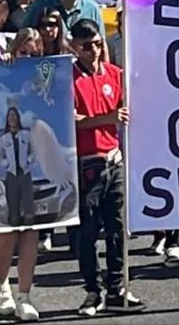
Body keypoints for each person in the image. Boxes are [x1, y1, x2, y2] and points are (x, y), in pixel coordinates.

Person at [68, 18, 144, 317]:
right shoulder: (70, 79)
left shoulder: (114, 74)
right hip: (88, 163)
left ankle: (117, 287)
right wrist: (108, 118)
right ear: (75, 46)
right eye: (87, 46)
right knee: (87, 231)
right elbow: (71, 120)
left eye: (98, 44)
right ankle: (92, 290)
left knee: (117, 228)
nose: (94, 51)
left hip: (114, 159)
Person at [0, 30, 45, 320]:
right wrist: (4, 63)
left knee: (30, 229)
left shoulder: (44, 76)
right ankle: (1, 286)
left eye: (33, 53)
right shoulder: (5, 72)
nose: (28, 58)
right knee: (8, 229)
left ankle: (25, 294)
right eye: (23, 52)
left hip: (30, 172)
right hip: (8, 174)